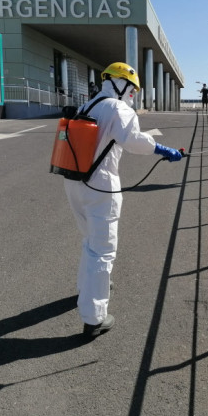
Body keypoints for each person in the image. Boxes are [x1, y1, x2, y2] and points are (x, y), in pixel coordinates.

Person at [63, 62, 182, 338]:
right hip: (100, 186)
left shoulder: (88, 105)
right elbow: (133, 140)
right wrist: (162, 149)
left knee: (90, 241)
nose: (132, 95)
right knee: (103, 250)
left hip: (74, 182)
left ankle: (88, 288)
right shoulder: (118, 108)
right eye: (132, 90)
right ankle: (94, 318)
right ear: (121, 84)